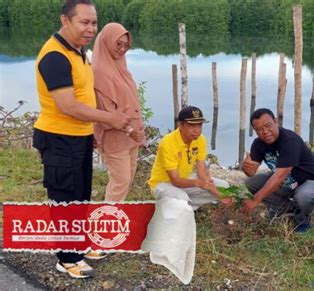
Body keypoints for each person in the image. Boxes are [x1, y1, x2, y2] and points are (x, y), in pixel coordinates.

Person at [32, 0, 131, 279]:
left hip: (78, 136)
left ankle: (78, 245)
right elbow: (68, 106)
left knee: (79, 196)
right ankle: (66, 259)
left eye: (94, 23)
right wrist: (108, 119)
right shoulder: (54, 56)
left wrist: (91, 132)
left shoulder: (78, 51)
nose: (90, 29)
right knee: (64, 198)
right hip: (58, 138)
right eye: (83, 22)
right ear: (65, 20)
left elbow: (83, 98)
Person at [242, 108, 314, 233]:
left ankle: (302, 221)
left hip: (311, 182)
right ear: (255, 131)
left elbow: (279, 176)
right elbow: (251, 172)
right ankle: (288, 209)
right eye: (259, 129)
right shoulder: (258, 144)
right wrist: (246, 167)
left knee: (304, 196)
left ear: (276, 122)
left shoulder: (289, 141)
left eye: (268, 126)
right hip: (288, 183)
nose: (265, 132)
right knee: (251, 182)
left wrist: (255, 200)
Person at [92, 23, 145, 202]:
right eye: (118, 44)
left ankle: (115, 218)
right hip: (115, 137)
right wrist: (131, 130)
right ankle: (107, 224)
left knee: (127, 179)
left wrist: (137, 131)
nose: (122, 49)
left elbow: (131, 102)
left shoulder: (120, 67)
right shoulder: (100, 72)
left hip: (131, 135)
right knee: (120, 181)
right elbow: (105, 113)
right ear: (106, 42)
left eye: (126, 45)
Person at [147, 106, 231, 207]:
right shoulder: (167, 142)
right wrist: (198, 183)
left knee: (224, 187)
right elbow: (175, 180)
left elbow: (202, 172)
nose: (197, 131)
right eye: (192, 126)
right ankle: (179, 205)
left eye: (199, 126)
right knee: (181, 198)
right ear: (180, 125)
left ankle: (184, 207)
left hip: (186, 179)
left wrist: (219, 194)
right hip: (163, 183)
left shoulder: (200, 140)